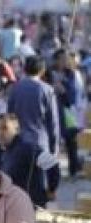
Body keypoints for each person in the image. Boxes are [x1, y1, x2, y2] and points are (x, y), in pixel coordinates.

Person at [0, 113, 60, 208]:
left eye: (5, 128)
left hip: (31, 206)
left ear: (16, 129)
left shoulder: (27, 148)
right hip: (14, 205)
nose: (0, 133)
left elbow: (52, 164)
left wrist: (51, 190)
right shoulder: (6, 151)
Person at [7, 55, 60, 156]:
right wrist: (54, 148)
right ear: (42, 70)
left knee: (21, 171)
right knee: (43, 171)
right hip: (41, 142)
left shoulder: (15, 88)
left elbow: (9, 116)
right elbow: (53, 121)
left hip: (20, 143)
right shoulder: (47, 89)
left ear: (24, 69)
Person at [49, 49, 82, 177]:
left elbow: (72, 98)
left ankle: (73, 170)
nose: (64, 61)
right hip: (52, 111)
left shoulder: (71, 74)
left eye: (66, 59)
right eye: (61, 59)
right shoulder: (49, 73)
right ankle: (52, 173)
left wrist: (63, 90)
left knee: (71, 142)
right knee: (52, 144)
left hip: (68, 113)